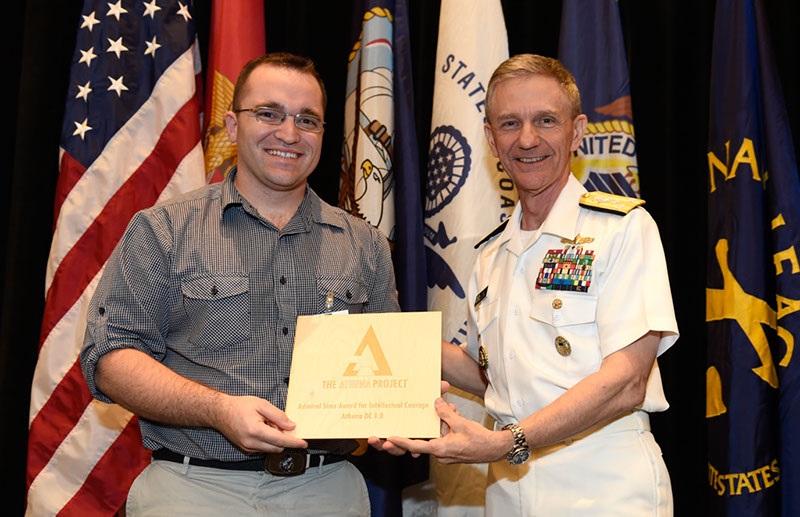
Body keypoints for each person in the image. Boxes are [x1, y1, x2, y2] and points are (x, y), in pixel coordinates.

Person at [80, 52, 399, 516]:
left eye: (307, 120)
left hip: (328, 490)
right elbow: (110, 358)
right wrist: (218, 410)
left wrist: (407, 407)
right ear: (232, 126)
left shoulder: (366, 244)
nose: (289, 134)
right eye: (268, 113)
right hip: (193, 491)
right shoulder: (164, 230)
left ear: (323, 134)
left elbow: (387, 368)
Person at [372, 54, 679, 515]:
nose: (527, 139)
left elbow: (628, 382)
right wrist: (378, 339)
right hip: (506, 490)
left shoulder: (623, 230)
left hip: (604, 486)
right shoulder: (491, 254)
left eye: (546, 120)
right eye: (510, 123)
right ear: (491, 139)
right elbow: (490, 373)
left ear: (576, 132)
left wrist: (507, 441)